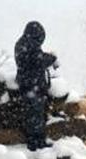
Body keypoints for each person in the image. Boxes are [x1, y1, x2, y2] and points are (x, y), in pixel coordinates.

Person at [15, 21, 57, 151]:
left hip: (30, 85)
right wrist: (52, 58)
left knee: (34, 114)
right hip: (31, 86)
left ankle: (37, 140)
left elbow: (35, 59)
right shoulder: (28, 44)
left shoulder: (24, 43)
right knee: (35, 114)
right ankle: (36, 143)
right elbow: (38, 60)